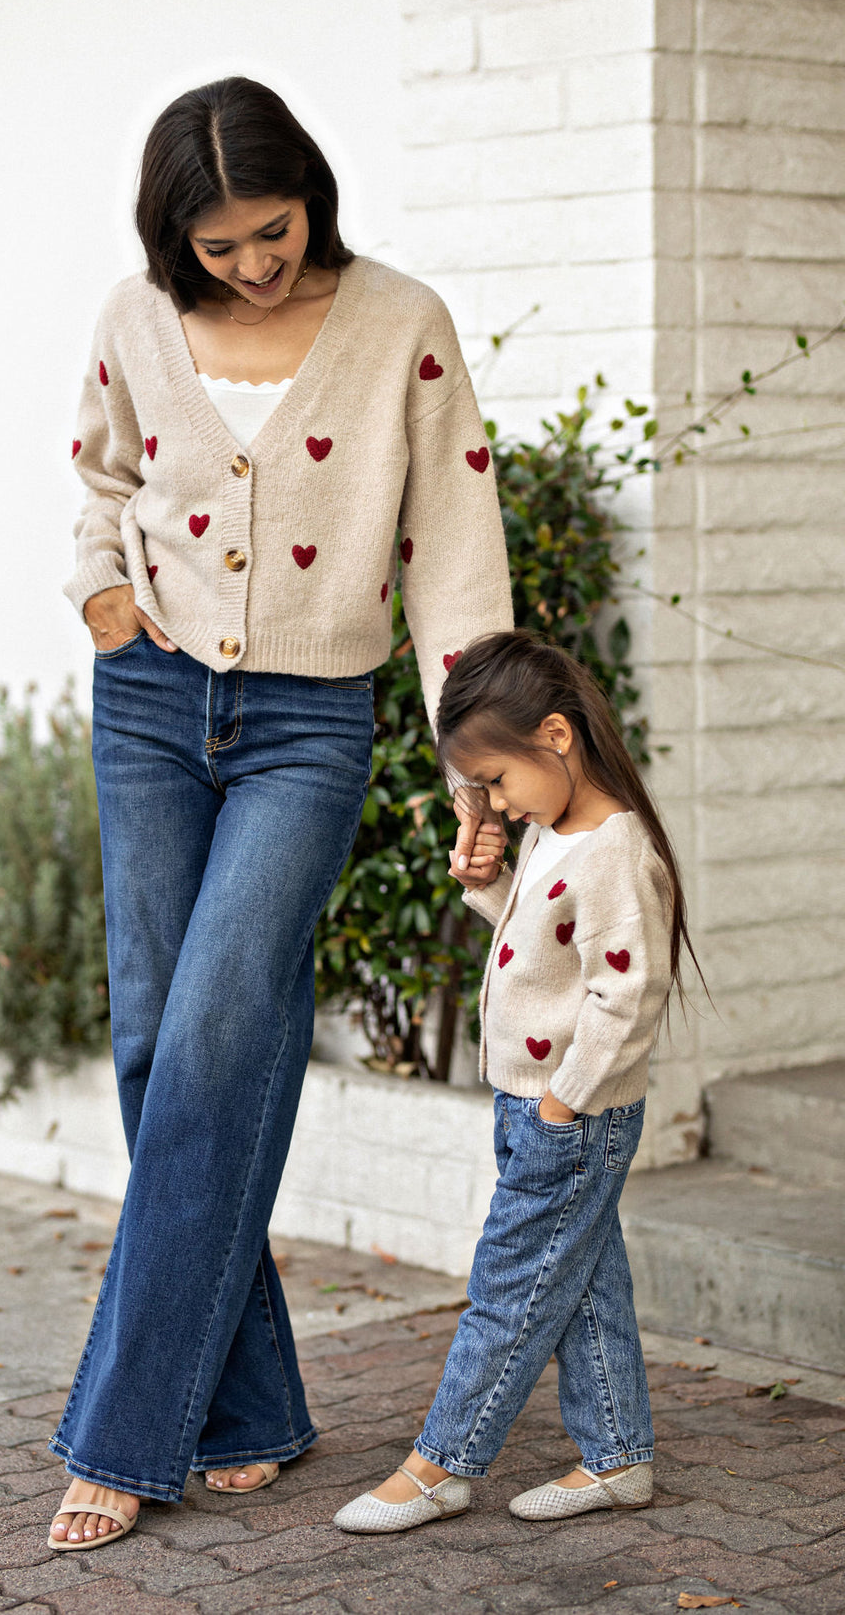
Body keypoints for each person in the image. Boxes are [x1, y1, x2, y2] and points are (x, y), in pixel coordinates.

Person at [46, 76, 513, 1551]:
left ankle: (126, 1435)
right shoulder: (137, 316)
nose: (251, 263)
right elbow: (100, 471)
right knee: (148, 1043)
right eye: (221, 244)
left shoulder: (401, 327)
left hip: (310, 721)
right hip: (150, 702)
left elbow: (455, 557)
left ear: (313, 191)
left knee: (218, 1035)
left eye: (275, 229)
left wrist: (476, 770)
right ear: (173, 235)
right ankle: (248, 1405)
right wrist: (101, 593)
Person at [334, 629, 703, 1535]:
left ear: (556, 734)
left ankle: (441, 1467)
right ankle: (618, 1457)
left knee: (508, 1287)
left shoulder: (612, 847)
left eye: (497, 779)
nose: (493, 800)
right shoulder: (555, 830)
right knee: (581, 1276)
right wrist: (488, 880)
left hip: (570, 1112)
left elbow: (630, 993)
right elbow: (548, 950)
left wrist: (560, 1103)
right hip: (539, 1104)